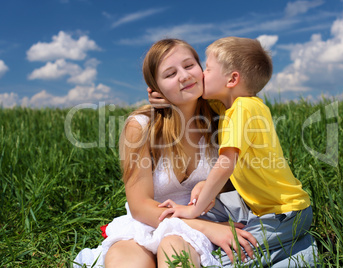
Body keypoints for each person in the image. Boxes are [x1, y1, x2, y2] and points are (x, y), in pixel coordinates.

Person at [73, 38, 257, 268]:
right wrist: (204, 227)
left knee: (174, 251)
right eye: (170, 74)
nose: (184, 76)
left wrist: (211, 188)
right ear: (155, 88)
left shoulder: (222, 119)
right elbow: (140, 206)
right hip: (148, 223)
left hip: (196, 228)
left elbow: (237, 181)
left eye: (189, 66)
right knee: (125, 261)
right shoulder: (141, 126)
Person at [152, 37, 318, 267]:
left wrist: (195, 210)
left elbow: (225, 163)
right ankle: (287, 245)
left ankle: (304, 255)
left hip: (283, 214)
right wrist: (164, 96)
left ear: (232, 79)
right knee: (198, 218)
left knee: (227, 260)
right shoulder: (232, 105)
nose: (201, 74)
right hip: (257, 205)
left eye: (208, 69)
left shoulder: (241, 110)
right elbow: (192, 97)